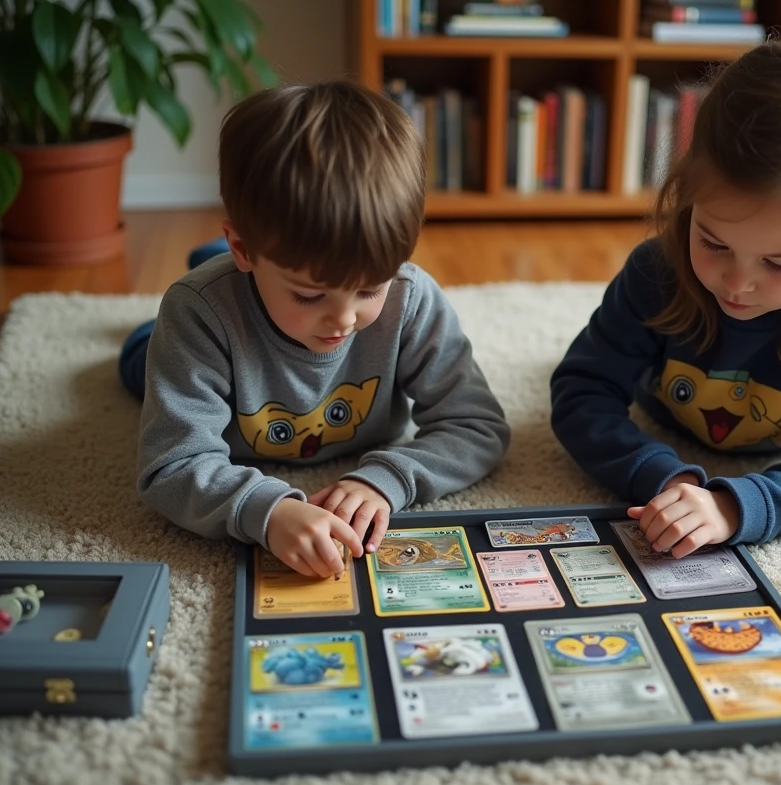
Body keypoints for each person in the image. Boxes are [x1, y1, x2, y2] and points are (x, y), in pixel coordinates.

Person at [550, 40, 781, 558]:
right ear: (687, 194)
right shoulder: (654, 272)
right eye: (714, 243)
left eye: (778, 263)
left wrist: (733, 506)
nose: (737, 283)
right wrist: (664, 474)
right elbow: (581, 390)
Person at [124, 81, 509, 578]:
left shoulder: (411, 296)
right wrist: (267, 509)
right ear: (243, 247)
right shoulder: (196, 313)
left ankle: (233, 269)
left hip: (246, 278)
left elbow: (477, 426)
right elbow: (170, 466)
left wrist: (388, 478)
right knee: (142, 353)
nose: (345, 320)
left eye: (370, 289)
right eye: (310, 295)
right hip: (198, 322)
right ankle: (197, 281)